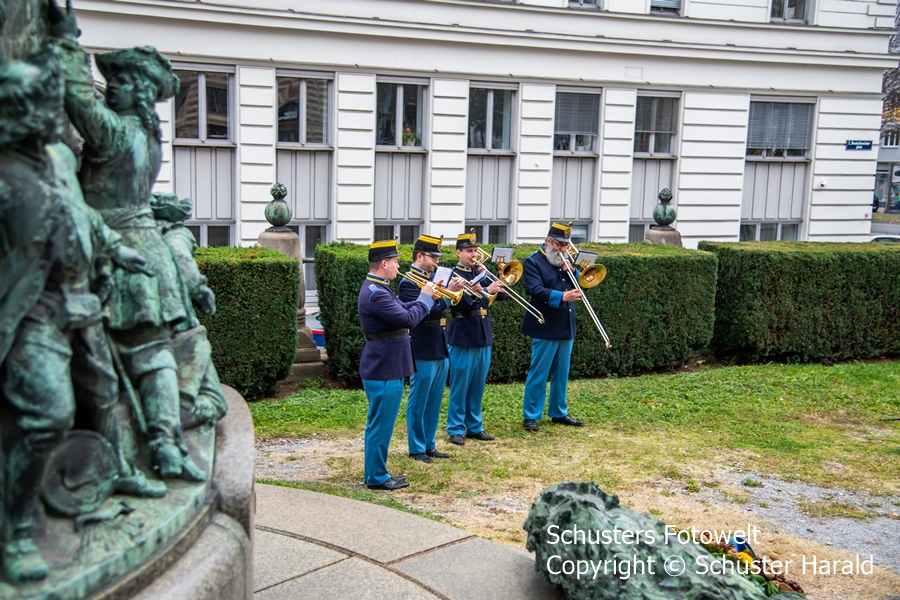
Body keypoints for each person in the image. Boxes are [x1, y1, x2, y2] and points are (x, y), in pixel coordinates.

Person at [0, 55, 163, 582]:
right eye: (41, 107)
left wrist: (116, 249)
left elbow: (82, 216)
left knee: (104, 391)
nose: (55, 115)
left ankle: (117, 469)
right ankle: (16, 530)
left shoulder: (54, 158)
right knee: (49, 413)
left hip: (81, 301)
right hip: (35, 310)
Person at [50, 4, 205, 481]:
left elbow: (78, 100)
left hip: (115, 250)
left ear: (139, 89)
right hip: (148, 249)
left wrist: (65, 43)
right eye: (109, 79)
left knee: (134, 352)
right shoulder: (147, 136)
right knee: (153, 351)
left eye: (119, 80)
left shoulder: (116, 133)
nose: (110, 85)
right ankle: (166, 444)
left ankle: (144, 447)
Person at [358, 239, 436, 490]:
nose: (397, 266)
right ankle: (377, 477)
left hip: (386, 365)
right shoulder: (377, 293)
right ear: (384, 263)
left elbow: (403, 307)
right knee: (381, 425)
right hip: (384, 368)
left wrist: (424, 298)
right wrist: (425, 299)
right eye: (394, 261)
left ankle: (376, 472)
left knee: (380, 423)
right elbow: (408, 318)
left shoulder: (379, 288)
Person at [398, 235, 464, 463]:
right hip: (422, 344)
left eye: (437, 257)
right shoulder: (408, 283)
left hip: (439, 342)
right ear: (420, 256)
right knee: (419, 399)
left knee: (435, 399)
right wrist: (445, 297)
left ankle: (429, 444)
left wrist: (447, 293)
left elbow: (438, 308)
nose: (436, 262)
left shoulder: (432, 279)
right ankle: (416, 447)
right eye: (433, 257)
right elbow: (425, 312)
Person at [519, 223, 585, 431]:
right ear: (548, 241)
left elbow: (577, 285)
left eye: (566, 245)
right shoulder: (533, 261)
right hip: (544, 324)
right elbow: (534, 289)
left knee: (562, 373)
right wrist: (562, 297)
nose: (563, 249)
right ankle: (531, 415)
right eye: (559, 245)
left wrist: (573, 271)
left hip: (566, 323)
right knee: (539, 372)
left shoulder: (564, 261)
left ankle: (559, 411)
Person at [445, 231, 505, 446]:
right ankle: (455, 428)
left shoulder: (480, 272)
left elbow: (502, 294)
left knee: (478, 385)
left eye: (475, 251)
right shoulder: (452, 275)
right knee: (460, 385)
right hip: (462, 333)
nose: (473, 255)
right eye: (469, 251)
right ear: (458, 252)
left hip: (482, 333)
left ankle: (475, 426)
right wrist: (486, 289)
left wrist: (491, 277)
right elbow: (457, 302)